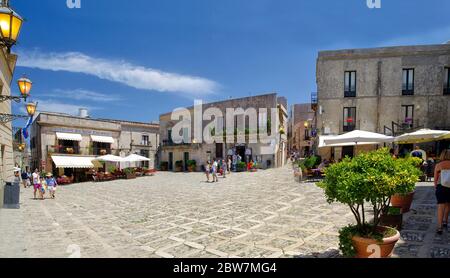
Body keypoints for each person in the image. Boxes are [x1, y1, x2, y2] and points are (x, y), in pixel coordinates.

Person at [434, 149, 450, 235]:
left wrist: (436, 187)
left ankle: (439, 227)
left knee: (441, 206)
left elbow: (435, 179)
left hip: (441, 187)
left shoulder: (439, 165)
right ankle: (445, 221)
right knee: (448, 205)